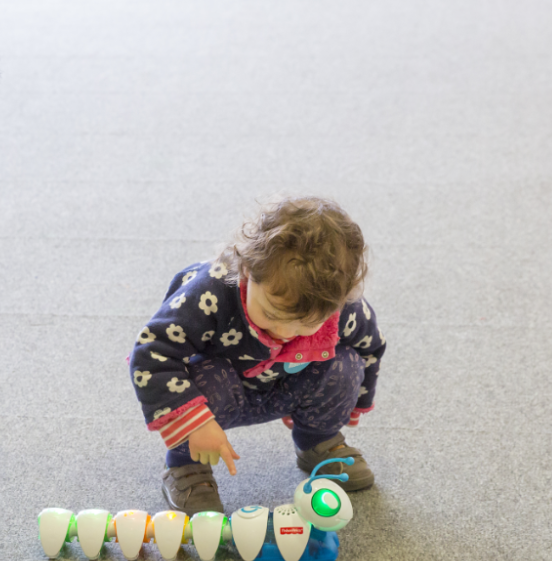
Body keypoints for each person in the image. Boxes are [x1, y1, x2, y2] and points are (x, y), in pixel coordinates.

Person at [128, 196, 386, 516]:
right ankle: (186, 466)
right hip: (219, 390)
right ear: (249, 269)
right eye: (271, 313)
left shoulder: (343, 308)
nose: (285, 332)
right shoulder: (210, 292)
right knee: (206, 377)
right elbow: (151, 352)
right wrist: (191, 422)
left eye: (307, 325)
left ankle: (318, 442)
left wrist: (356, 401)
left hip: (289, 385)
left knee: (346, 363)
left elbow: (370, 348)